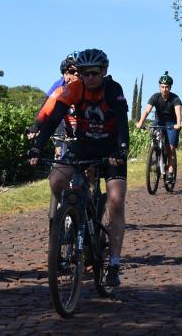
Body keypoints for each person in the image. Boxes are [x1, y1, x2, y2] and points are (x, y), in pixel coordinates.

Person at [28, 48, 130, 287]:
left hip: (110, 148)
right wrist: (37, 147)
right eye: (85, 73)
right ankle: (73, 213)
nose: (90, 78)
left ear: (104, 72)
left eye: (95, 73)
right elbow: (53, 119)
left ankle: (114, 263)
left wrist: (122, 150)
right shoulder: (74, 89)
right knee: (56, 179)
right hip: (84, 145)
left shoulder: (113, 90)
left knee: (115, 200)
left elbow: (123, 124)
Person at [136, 72, 182, 183]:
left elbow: (178, 113)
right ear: (159, 86)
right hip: (159, 122)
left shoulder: (175, 98)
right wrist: (140, 123)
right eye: (162, 86)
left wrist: (178, 123)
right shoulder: (155, 97)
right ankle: (155, 156)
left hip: (172, 124)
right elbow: (147, 110)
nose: (164, 89)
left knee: (170, 148)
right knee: (155, 138)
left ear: (170, 87)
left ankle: (170, 172)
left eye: (166, 87)